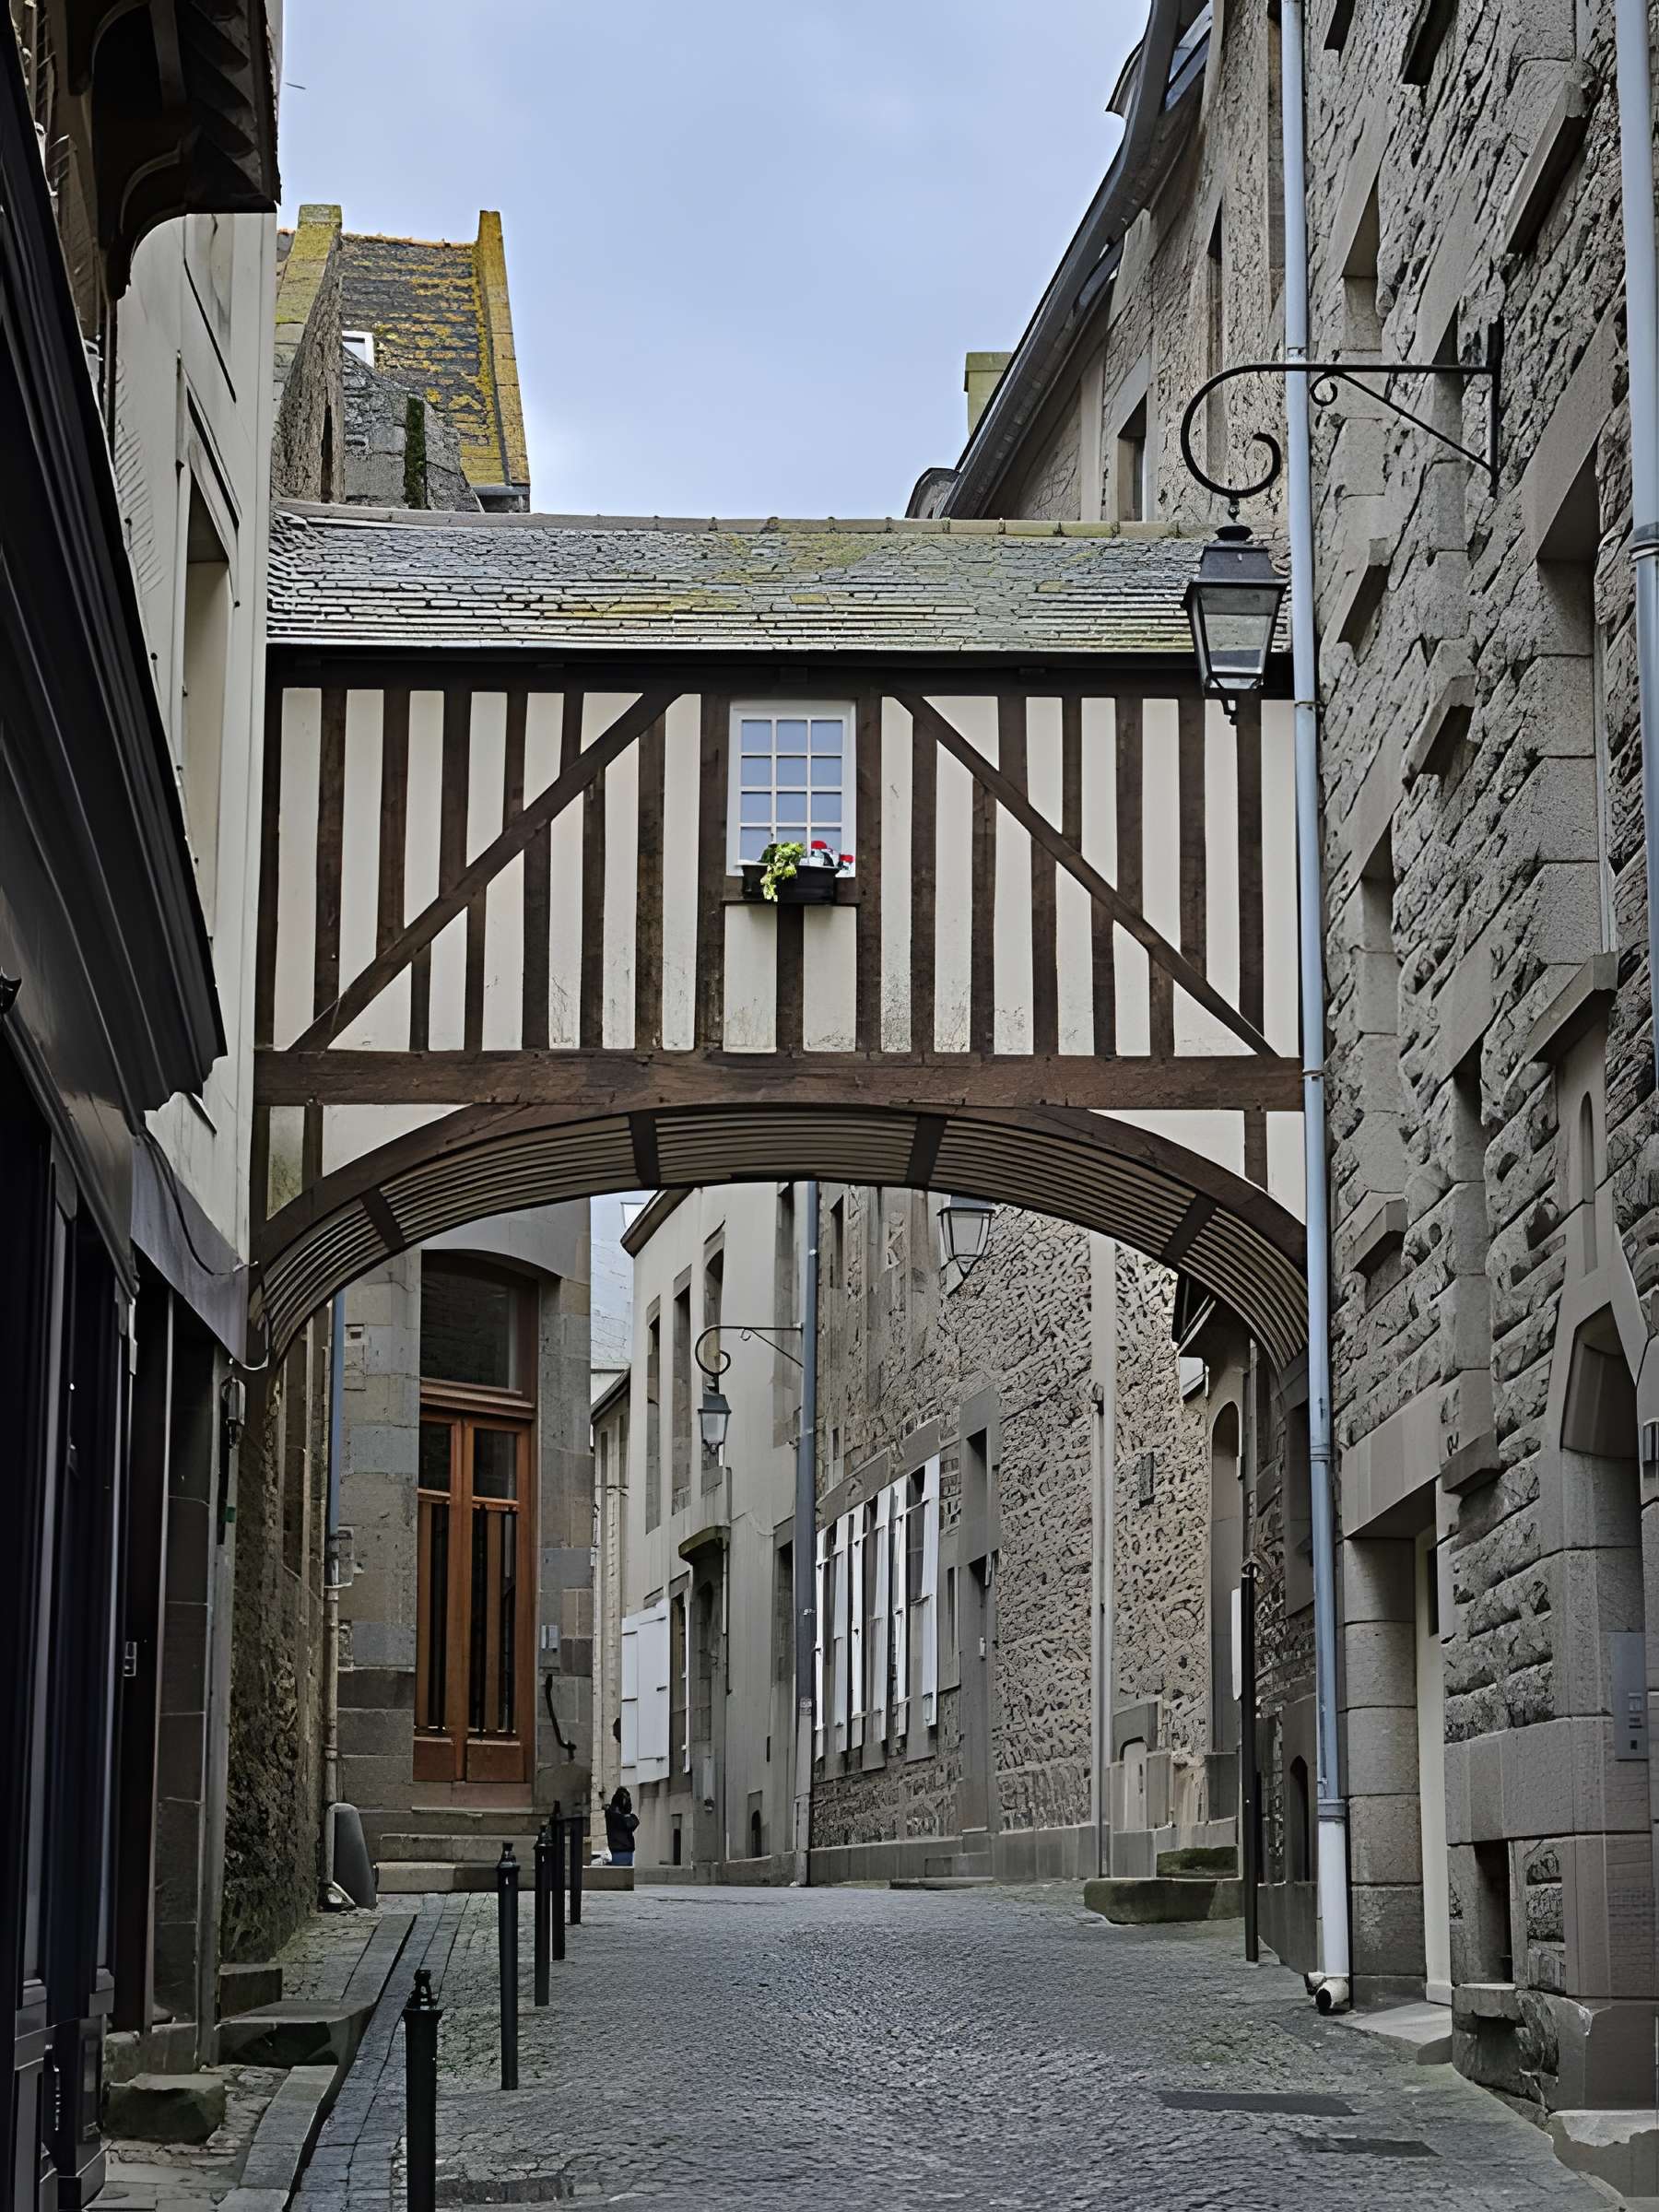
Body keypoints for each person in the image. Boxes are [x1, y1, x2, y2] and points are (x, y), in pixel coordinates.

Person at [605, 1784, 638, 1866]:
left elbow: (633, 1822)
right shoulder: (615, 1816)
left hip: (622, 1850)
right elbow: (629, 1823)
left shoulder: (614, 1815)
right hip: (620, 1850)